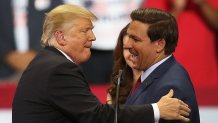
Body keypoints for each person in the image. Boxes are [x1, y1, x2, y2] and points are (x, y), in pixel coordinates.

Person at [12, 4, 191, 123]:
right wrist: (157, 110)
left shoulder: (45, 61)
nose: (93, 37)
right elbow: (95, 116)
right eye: (85, 30)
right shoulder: (60, 69)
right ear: (61, 37)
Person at [123, 8, 200, 123]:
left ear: (159, 45)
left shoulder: (170, 89)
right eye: (128, 37)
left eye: (135, 39)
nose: (127, 44)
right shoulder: (156, 73)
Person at [144, 0, 218, 98]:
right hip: (168, 88)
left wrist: (203, 3)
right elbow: (152, 37)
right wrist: (176, 9)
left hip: (208, 86)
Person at [106, 24, 143, 104]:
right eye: (126, 48)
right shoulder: (116, 88)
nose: (132, 53)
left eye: (136, 48)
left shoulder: (160, 82)